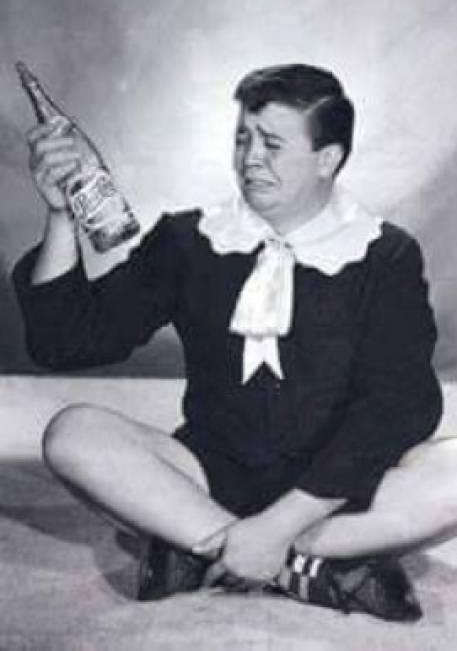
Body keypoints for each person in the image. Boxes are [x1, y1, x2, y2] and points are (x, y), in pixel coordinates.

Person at [13, 64, 457, 622]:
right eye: (243, 138)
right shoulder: (190, 239)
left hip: (336, 493)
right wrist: (61, 217)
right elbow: (65, 343)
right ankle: (305, 570)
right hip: (207, 476)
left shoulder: (385, 255)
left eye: (272, 144)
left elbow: (399, 407)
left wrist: (281, 522)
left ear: (327, 159)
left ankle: (203, 547)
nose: (250, 158)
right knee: (72, 433)